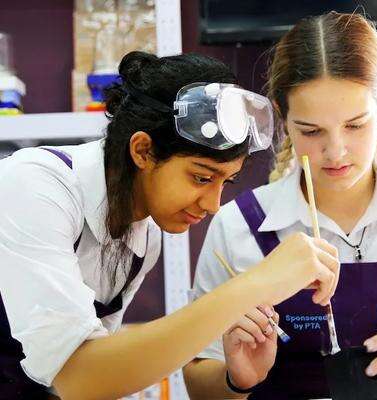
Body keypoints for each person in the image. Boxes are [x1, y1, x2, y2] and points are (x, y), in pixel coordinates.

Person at [0, 51, 339, 400]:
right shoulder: (33, 187)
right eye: (201, 177)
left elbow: (97, 375)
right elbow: (78, 378)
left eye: (226, 182)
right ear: (143, 150)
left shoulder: (143, 240)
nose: (212, 205)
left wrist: (236, 379)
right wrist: (256, 285)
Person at [184, 11, 377, 400]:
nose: (335, 152)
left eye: (355, 125)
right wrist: (237, 380)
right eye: (311, 131)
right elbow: (199, 384)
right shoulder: (239, 227)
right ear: (283, 118)